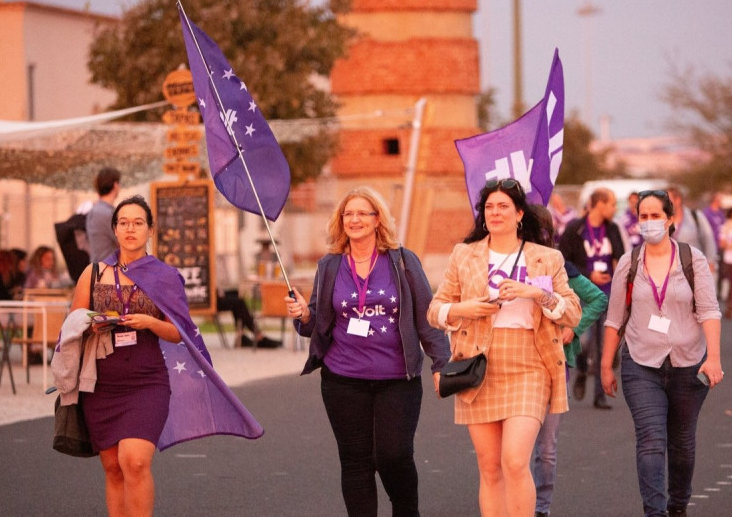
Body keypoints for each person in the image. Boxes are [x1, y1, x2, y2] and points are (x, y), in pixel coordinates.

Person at [69, 195, 262, 516]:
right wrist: (93, 324)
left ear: (150, 230)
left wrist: (151, 323)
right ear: (114, 229)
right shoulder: (93, 274)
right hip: (101, 383)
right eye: (123, 223)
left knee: (136, 461)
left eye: (138, 223)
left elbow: (179, 332)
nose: (130, 229)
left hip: (147, 381)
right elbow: (72, 324)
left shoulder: (165, 275)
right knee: (113, 467)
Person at [286, 187, 450, 517]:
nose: (355, 219)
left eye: (363, 213)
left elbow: (425, 316)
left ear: (378, 220)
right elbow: (317, 322)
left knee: (393, 454)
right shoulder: (329, 265)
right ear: (341, 221)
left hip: (396, 378)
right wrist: (304, 314)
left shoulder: (403, 261)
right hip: (342, 379)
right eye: (349, 214)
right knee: (355, 461)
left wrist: (441, 363)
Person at [427, 178, 581, 517]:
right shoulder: (464, 254)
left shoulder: (546, 258)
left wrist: (535, 293)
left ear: (519, 213)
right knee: (490, 466)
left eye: (503, 207)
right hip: (478, 365)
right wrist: (463, 310)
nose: (495, 213)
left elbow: (572, 312)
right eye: (489, 207)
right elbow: (435, 311)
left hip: (529, 364)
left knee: (514, 460)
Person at [599, 189, 723, 517]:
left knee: (681, 445)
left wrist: (714, 358)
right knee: (651, 441)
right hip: (641, 363)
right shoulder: (629, 262)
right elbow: (614, 318)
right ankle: (654, 513)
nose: (650, 222)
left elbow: (709, 311)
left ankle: (677, 505)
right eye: (643, 216)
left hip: (688, 362)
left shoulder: (691, 259)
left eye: (656, 216)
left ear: (670, 220)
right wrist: (605, 365)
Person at [529, 203, 608, 517]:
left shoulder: (559, 267)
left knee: (546, 447)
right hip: (511, 366)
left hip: (553, 366)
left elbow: (597, 299)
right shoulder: (501, 265)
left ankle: (541, 507)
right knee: (513, 449)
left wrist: (573, 328)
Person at [558, 187, 624, 409]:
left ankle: (599, 395)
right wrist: (588, 275)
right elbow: (563, 263)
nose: (614, 209)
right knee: (585, 341)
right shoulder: (574, 229)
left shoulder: (612, 229)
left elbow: (620, 259)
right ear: (599, 204)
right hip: (582, 294)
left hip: (606, 294)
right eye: (612, 204)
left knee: (604, 346)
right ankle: (582, 371)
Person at [666, 186, 718, 271]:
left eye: (668, 200)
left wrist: (711, 261)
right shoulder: (663, 219)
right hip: (671, 269)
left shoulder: (696, 216)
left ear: (678, 200)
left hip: (694, 268)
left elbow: (708, 238)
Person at [86, 167, 122, 263]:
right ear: (115, 185)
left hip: (98, 269)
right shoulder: (108, 213)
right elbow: (124, 242)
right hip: (107, 271)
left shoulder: (94, 210)